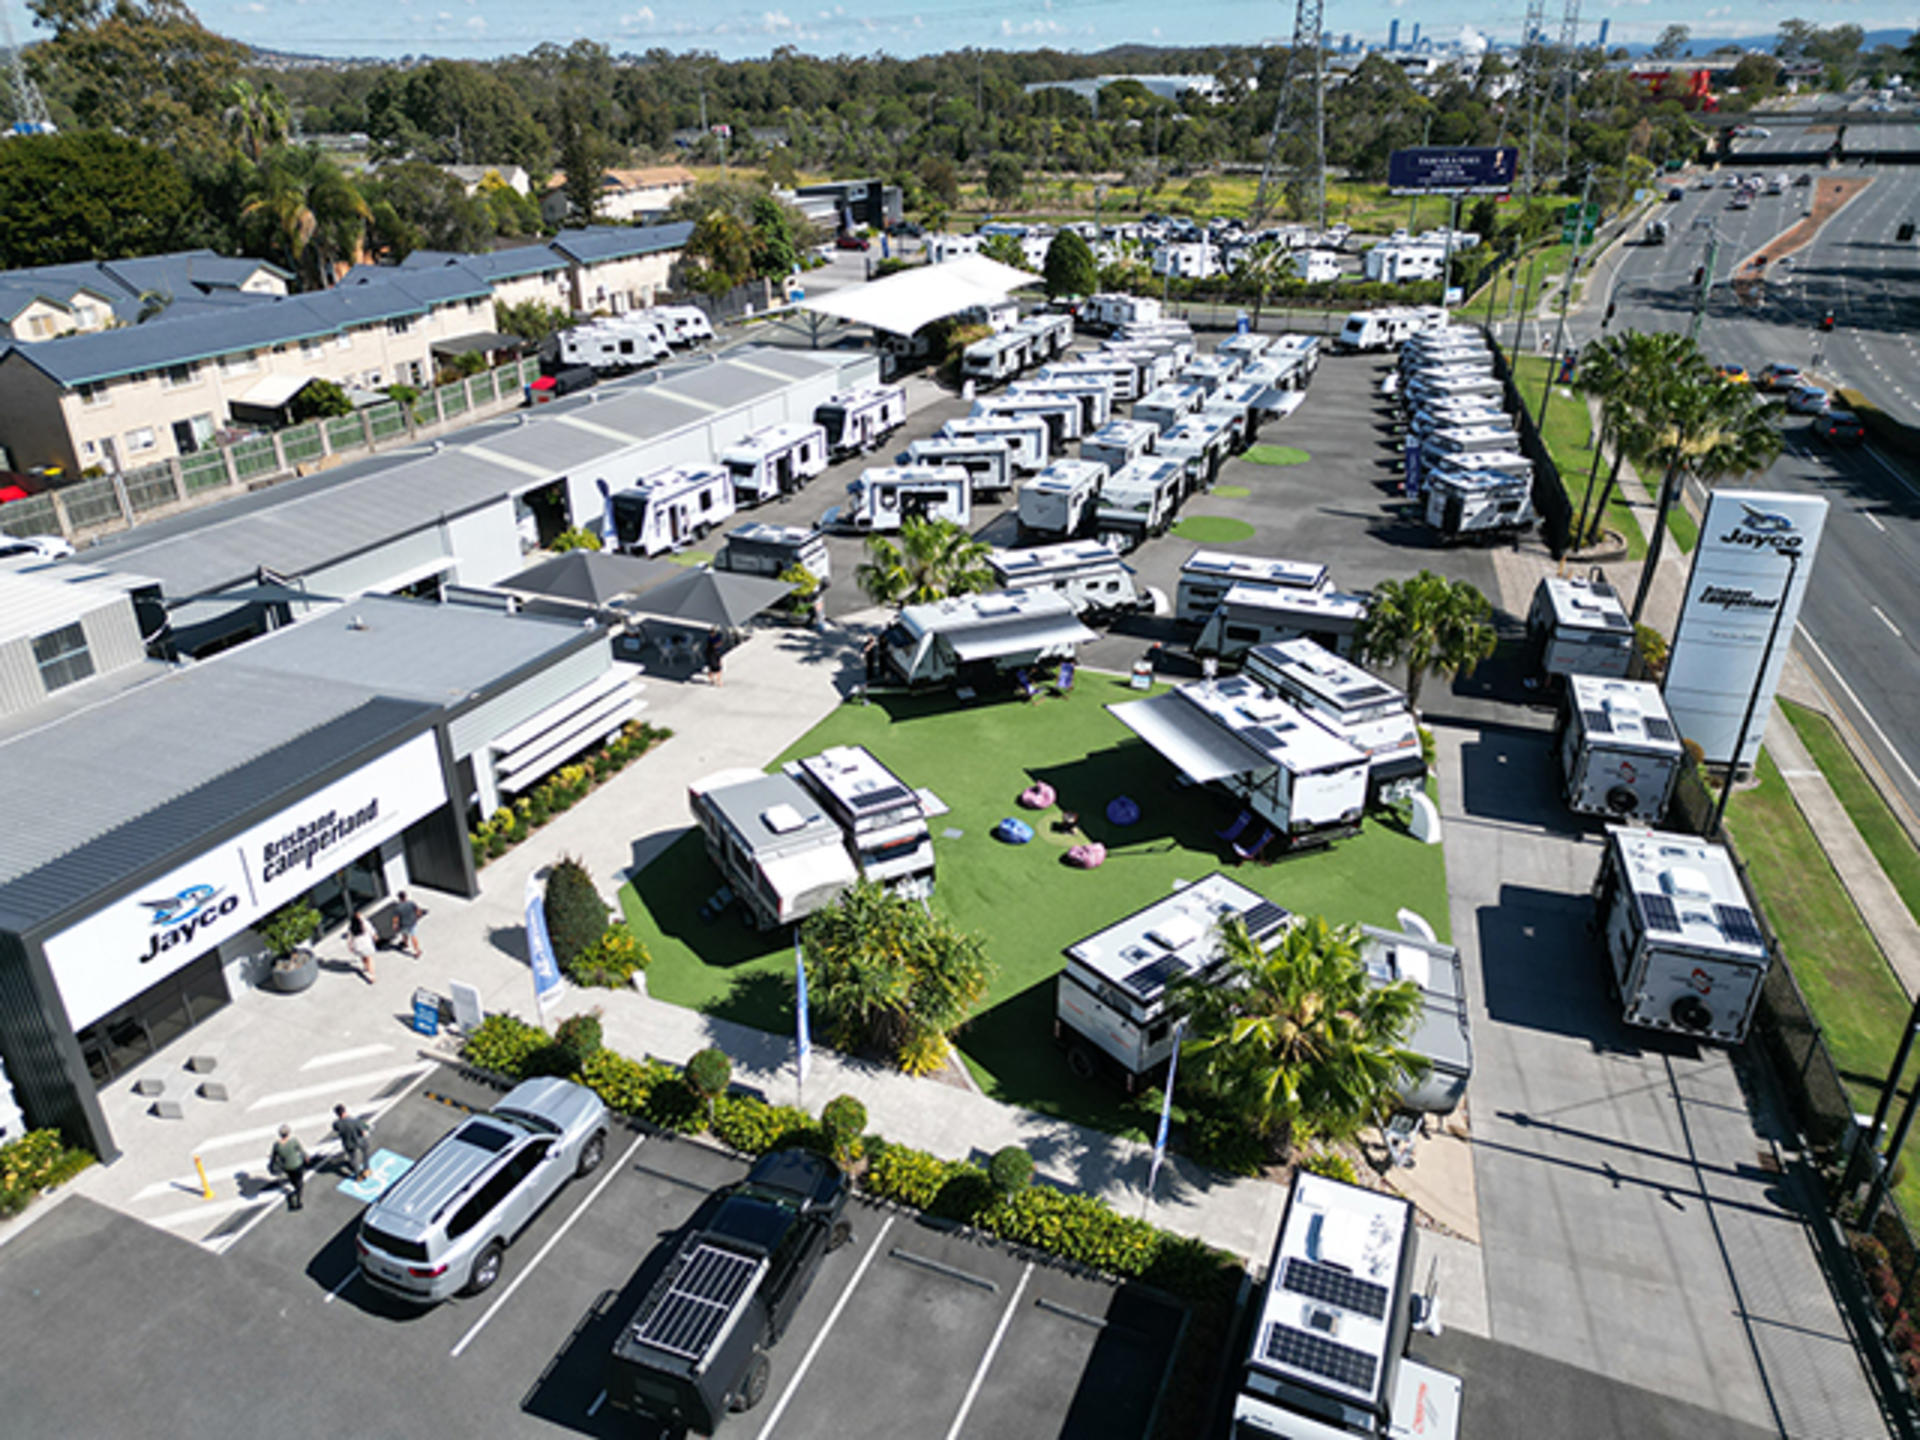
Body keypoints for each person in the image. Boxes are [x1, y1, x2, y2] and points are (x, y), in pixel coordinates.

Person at [269, 1124, 309, 1210]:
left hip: (287, 1167)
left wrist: (272, 1165)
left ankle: (295, 1189)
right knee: (300, 1183)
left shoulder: (276, 1145)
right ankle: (298, 1201)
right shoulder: (294, 1141)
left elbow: (273, 1157)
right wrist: (306, 1157)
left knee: (293, 1180)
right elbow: (301, 1150)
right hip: (297, 1164)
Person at [332, 1104, 372, 1182]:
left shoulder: (337, 1124)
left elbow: (336, 1129)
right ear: (344, 1111)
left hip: (348, 1143)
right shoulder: (354, 1121)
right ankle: (366, 1169)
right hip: (359, 1141)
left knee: (353, 1159)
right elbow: (363, 1130)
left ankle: (358, 1176)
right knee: (365, 1151)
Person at [390, 891, 424, 958]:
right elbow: (418, 911)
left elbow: (396, 918)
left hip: (403, 924)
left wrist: (395, 925)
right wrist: (418, 916)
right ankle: (417, 951)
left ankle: (405, 944)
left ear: (399, 898)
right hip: (412, 922)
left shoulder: (398, 907)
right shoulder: (411, 903)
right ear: (406, 896)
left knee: (404, 933)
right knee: (413, 936)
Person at [346, 910, 375, 983]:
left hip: (358, 946)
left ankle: (366, 967)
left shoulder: (351, 928)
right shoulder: (364, 923)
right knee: (369, 960)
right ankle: (371, 976)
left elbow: (349, 939)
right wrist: (374, 936)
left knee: (363, 957)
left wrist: (350, 947)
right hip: (366, 944)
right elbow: (371, 930)